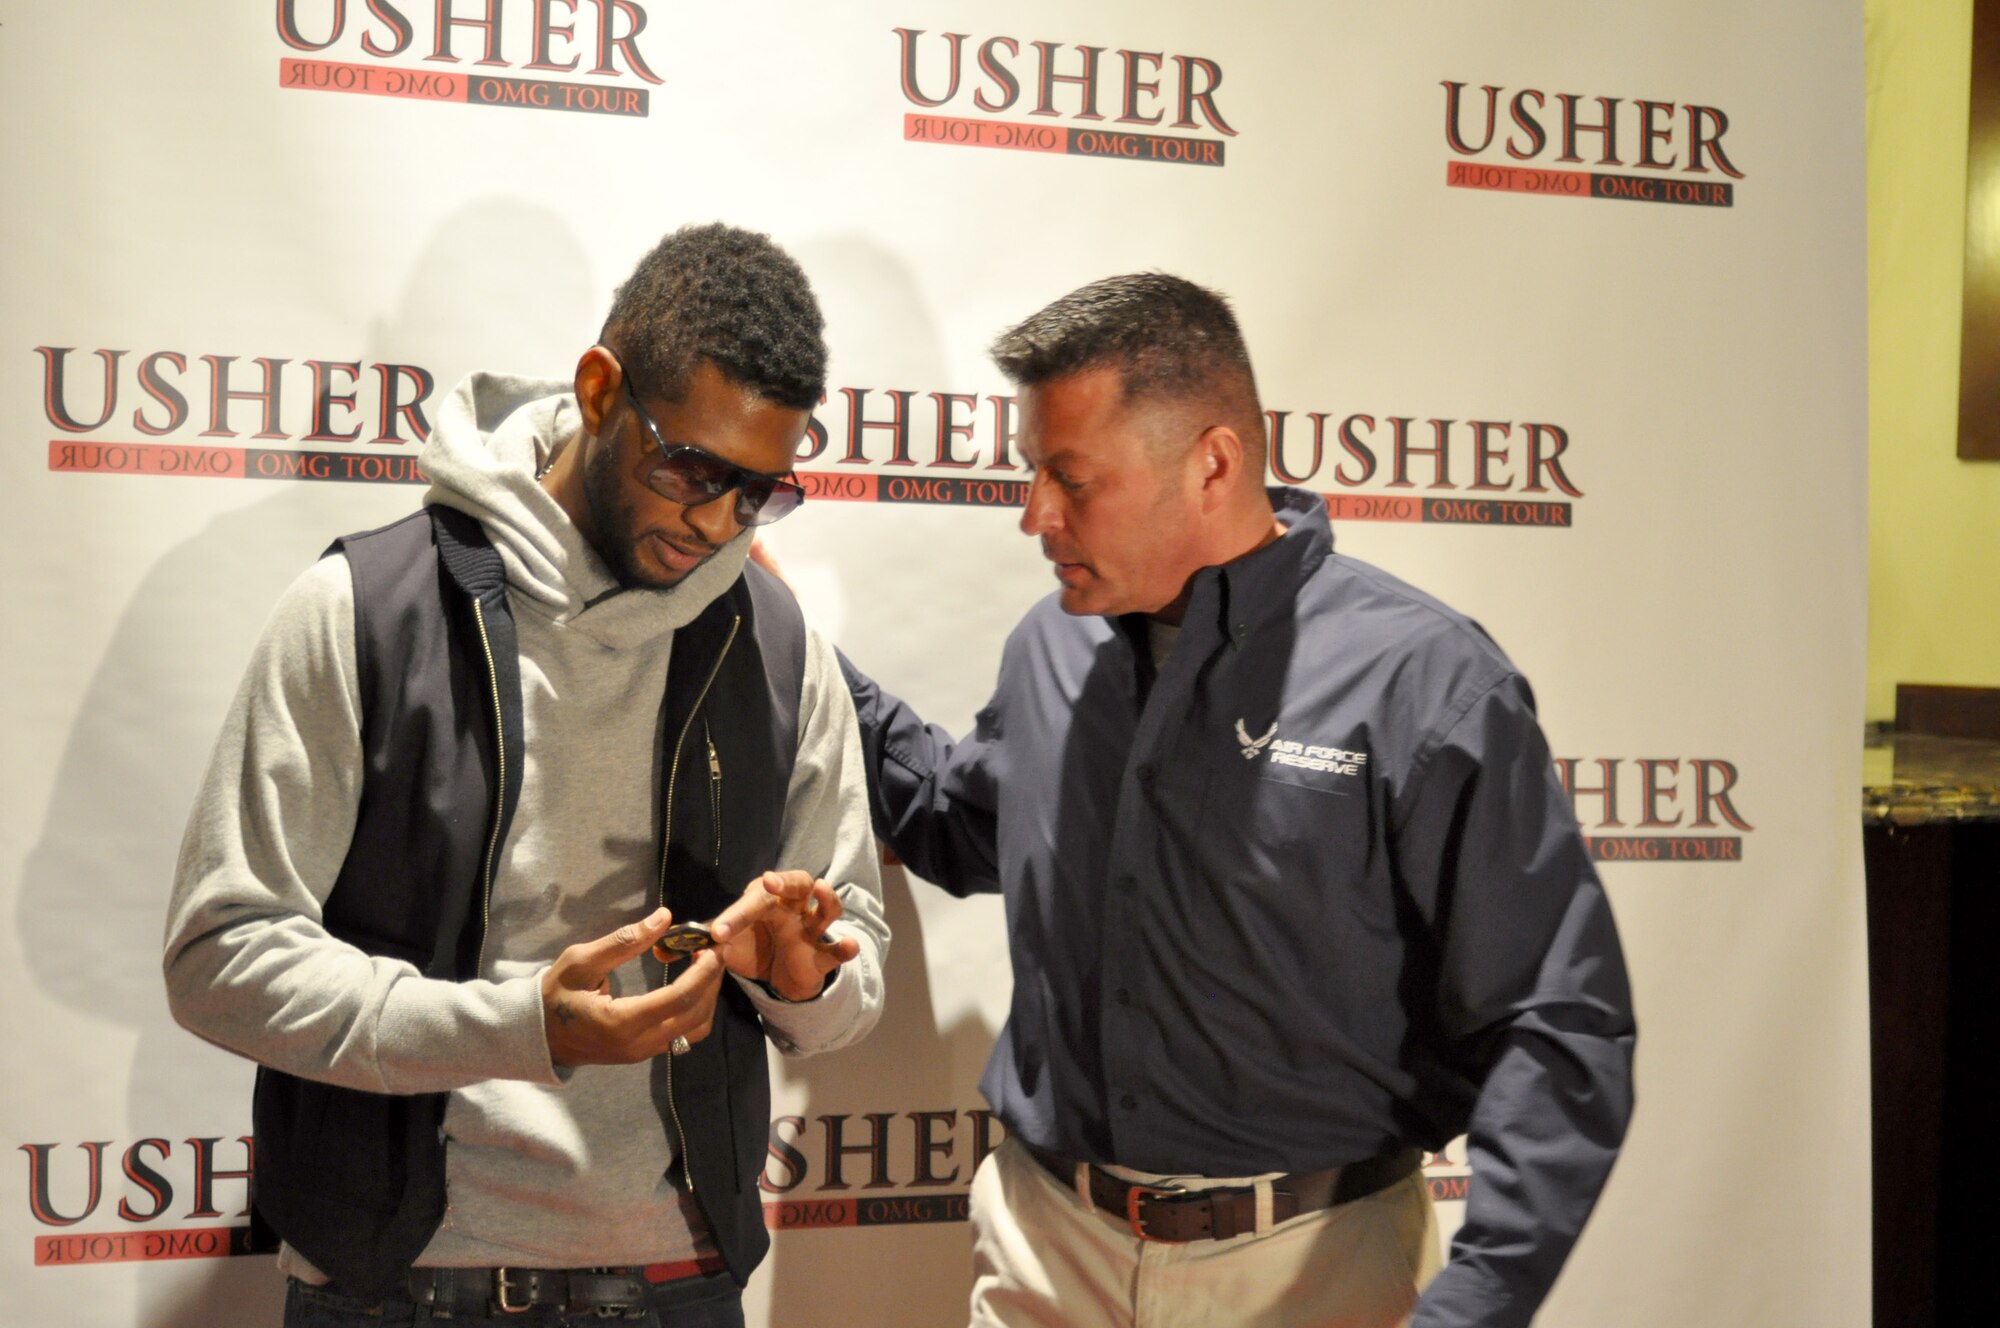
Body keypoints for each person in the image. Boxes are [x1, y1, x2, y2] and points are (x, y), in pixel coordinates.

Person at [833, 274, 1635, 1327]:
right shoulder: (1048, 644)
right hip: (1044, 1254)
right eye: (1032, 473)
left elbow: (1553, 1014)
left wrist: (1477, 1300)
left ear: (1210, 462)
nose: (1034, 513)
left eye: (1070, 478)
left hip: (1309, 1273)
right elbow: (957, 818)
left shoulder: (1423, 681)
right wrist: (789, 644)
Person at [163, 222, 889, 1327]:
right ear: (599, 390)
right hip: (394, 1288)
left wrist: (806, 979)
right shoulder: (364, 609)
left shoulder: (778, 644)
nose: (717, 523)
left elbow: (852, 972)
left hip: (676, 1285)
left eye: (759, 493)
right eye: (691, 469)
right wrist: (519, 1027)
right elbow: (221, 953)